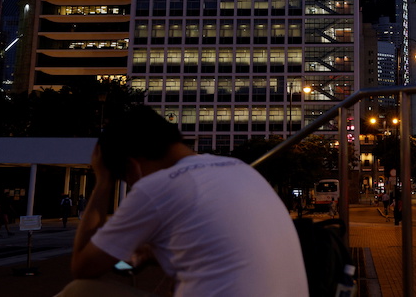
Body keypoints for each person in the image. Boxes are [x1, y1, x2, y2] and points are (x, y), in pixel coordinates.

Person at [55, 105, 308, 297]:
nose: (132, 186)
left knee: (79, 290)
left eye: (125, 179)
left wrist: (103, 182)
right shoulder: (238, 167)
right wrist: (156, 253)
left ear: (131, 165)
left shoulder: (157, 187)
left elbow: (82, 267)